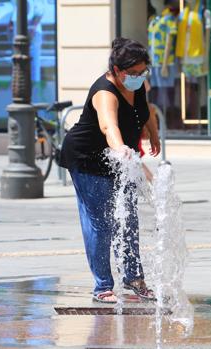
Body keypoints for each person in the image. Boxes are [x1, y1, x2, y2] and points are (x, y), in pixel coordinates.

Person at [59, 37, 161, 303]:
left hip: (118, 157)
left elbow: (146, 110)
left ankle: (134, 278)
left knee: (128, 219)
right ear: (116, 70)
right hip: (87, 158)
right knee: (101, 223)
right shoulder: (104, 92)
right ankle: (103, 286)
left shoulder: (136, 82)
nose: (139, 78)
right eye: (134, 73)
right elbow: (109, 126)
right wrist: (121, 149)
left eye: (143, 72)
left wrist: (154, 134)